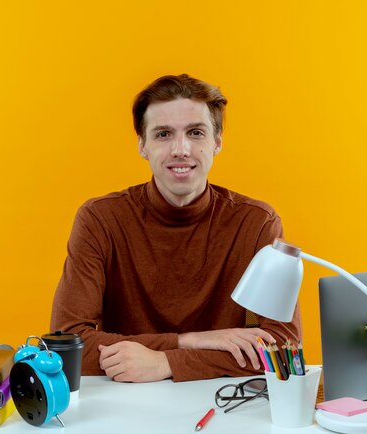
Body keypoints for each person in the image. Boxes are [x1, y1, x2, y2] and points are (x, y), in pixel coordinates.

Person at [50, 74, 302, 383]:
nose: (180, 149)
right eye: (163, 134)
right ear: (143, 145)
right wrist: (187, 341)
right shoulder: (100, 219)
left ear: (217, 142)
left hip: (217, 401)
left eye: (196, 133)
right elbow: (66, 346)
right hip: (123, 399)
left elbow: (284, 348)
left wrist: (168, 363)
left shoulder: (256, 222)